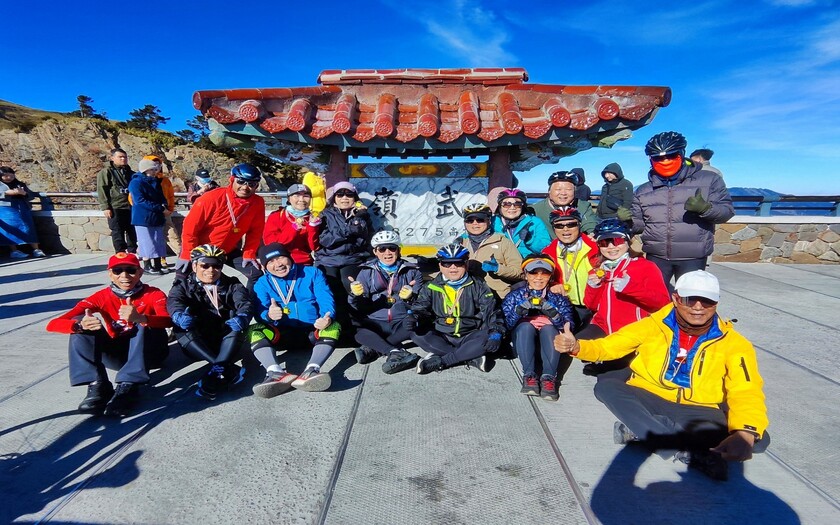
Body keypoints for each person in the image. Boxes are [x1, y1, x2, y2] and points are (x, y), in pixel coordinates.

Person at [554, 270, 769, 481]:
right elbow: (611, 346)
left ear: (716, 303)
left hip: (697, 408)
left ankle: (647, 431)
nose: (698, 307)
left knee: (757, 439)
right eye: (690, 299)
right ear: (676, 299)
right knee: (606, 387)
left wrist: (746, 432)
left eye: (707, 302)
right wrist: (576, 346)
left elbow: (745, 389)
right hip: (650, 395)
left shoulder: (736, 344)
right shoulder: (653, 325)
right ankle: (684, 448)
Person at [45, 252, 171, 417]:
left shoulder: (154, 294)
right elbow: (52, 324)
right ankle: (98, 384)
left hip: (151, 354)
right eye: (118, 271)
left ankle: (128, 386)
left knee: (142, 325)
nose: (124, 276)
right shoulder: (101, 297)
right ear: (110, 274)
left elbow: (169, 321)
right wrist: (78, 325)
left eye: (130, 270)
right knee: (81, 324)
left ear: (140, 273)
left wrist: (141, 318)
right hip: (119, 356)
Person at [619, 132, 734, 287]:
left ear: (681, 154)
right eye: (658, 158)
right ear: (651, 160)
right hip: (656, 256)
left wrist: (706, 209)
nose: (665, 161)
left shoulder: (709, 180)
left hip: (693, 256)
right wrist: (628, 221)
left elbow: (726, 212)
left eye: (671, 155)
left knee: (689, 303)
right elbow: (640, 226)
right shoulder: (643, 191)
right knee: (655, 302)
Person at [579, 219, 670, 375]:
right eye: (604, 243)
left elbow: (662, 303)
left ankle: (618, 363)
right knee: (579, 345)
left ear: (628, 241)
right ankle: (610, 361)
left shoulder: (645, 266)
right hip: (605, 326)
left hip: (633, 331)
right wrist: (593, 287)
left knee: (614, 377)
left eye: (617, 240)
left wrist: (631, 288)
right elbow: (591, 306)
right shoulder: (597, 270)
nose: (611, 247)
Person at [248, 243, 340, 397]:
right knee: (254, 330)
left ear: (289, 257)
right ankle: (274, 372)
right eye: (270, 262)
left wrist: (327, 317)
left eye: (280, 258)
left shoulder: (312, 273)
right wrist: (268, 315)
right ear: (264, 266)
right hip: (282, 335)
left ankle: (312, 370)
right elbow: (260, 312)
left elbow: (325, 298)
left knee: (334, 326)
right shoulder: (262, 283)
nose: (278, 264)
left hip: (313, 332)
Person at [404, 243, 505, 374]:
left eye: (458, 263)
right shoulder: (431, 286)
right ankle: (469, 357)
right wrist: (414, 316)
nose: (453, 268)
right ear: (440, 265)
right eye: (447, 264)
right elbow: (420, 307)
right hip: (443, 334)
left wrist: (496, 332)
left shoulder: (478, 285)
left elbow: (492, 312)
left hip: (470, 334)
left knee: (488, 337)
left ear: (466, 264)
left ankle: (443, 360)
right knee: (416, 333)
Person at [167, 245, 250, 400]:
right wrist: (178, 315)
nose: (211, 270)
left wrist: (243, 316)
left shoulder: (232, 283)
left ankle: (214, 373)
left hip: (226, 339)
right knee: (180, 323)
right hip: (198, 343)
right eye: (205, 265)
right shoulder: (183, 285)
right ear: (194, 266)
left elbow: (244, 302)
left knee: (236, 316)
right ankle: (225, 367)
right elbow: (174, 301)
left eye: (216, 266)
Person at [177, 163, 265, 290]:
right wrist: (187, 253)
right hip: (199, 248)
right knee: (182, 279)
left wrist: (249, 254)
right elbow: (190, 228)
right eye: (241, 182)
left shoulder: (257, 203)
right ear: (232, 179)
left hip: (227, 249)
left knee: (256, 274)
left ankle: (250, 305)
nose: (245, 187)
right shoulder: (211, 197)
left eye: (251, 184)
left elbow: (256, 231)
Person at [348, 230, 424, 374]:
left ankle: (374, 350)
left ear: (398, 250)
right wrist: (354, 295)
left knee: (414, 325)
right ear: (375, 252)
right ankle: (395, 352)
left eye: (392, 248)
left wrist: (411, 297)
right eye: (382, 249)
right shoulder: (366, 271)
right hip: (375, 321)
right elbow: (356, 305)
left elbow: (422, 303)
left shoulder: (413, 271)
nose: (387, 253)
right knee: (358, 333)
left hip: (400, 320)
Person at [501, 255, 575, 401]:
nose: (539, 278)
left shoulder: (557, 296)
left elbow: (569, 325)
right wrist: (518, 312)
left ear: (550, 276)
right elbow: (506, 325)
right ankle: (529, 375)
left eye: (544, 273)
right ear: (526, 275)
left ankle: (548, 377)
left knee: (549, 329)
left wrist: (554, 316)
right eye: (534, 273)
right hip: (524, 338)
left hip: (548, 339)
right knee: (525, 327)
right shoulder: (515, 295)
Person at [314, 181, 373, 341]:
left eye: (349, 194)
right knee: (330, 289)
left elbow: (366, 237)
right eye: (340, 194)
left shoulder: (362, 214)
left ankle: (355, 325)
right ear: (334, 198)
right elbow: (324, 240)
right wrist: (348, 230)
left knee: (353, 288)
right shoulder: (325, 215)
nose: (344, 198)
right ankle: (333, 324)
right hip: (328, 259)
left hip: (352, 259)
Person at [541, 206, 600, 328]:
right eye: (559, 226)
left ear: (579, 225)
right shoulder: (548, 253)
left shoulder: (597, 247)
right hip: (567, 306)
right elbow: (541, 279)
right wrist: (552, 285)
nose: (565, 229)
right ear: (554, 229)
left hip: (597, 306)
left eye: (571, 224)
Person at [456, 203, 523, 300]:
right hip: (465, 298)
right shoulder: (460, 244)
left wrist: (498, 269)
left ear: (489, 221)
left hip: (497, 298)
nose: (475, 223)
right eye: (470, 220)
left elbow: (520, 273)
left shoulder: (503, 242)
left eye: (480, 220)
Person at [262, 183, 320, 265]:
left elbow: (314, 247)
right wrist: (293, 229)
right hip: (280, 262)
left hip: (304, 262)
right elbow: (271, 244)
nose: (301, 199)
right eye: (297, 196)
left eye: (306, 196)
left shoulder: (314, 219)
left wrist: (313, 228)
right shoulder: (276, 216)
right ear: (289, 199)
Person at [128, 158, 169, 275]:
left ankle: (157, 264)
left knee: (158, 241)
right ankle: (147, 266)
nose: (155, 171)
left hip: (156, 216)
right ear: (146, 169)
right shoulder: (136, 182)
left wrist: (164, 205)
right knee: (146, 242)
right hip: (143, 217)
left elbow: (161, 196)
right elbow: (139, 201)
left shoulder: (154, 181)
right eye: (153, 169)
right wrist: (159, 208)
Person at [532, 170, 598, 237]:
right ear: (549, 191)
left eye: (568, 189)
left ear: (574, 192)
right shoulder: (535, 210)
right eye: (558, 189)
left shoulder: (583, 207)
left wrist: (591, 234)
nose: (563, 193)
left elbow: (590, 225)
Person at [97, 148, 137, 253]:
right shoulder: (106, 172)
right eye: (120, 157)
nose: (123, 159)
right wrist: (105, 207)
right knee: (117, 231)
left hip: (130, 206)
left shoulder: (131, 173)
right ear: (112, 158)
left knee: (131, 230)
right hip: (115, 206)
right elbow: (102, 189)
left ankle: (132, 252)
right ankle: (120, 253)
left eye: (125, 157)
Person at [492, 188, 552, 258]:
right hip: (499, 263)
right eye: (506, 204)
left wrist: (530, 239)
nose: (512, 207)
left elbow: (545, 249)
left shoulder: (534, 222)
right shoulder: (493, 222)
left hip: (526, 263)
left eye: (517, 204)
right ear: (500, 206)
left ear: (523, 206)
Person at [0, 166, 46, 258]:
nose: (9, 178)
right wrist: (6, 193)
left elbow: (31, 195)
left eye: (11, 175)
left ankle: (36, 249)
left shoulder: (19, 184)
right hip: (5, 209)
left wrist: (24, 193)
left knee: (28, 227)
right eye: (6, 176)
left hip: (22, 207)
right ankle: (14, 251)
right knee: (10, 230)